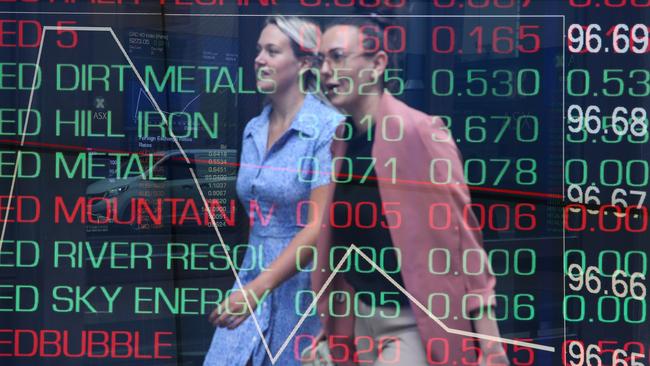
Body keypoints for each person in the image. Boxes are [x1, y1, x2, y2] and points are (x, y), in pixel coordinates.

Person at [311, 17, 510, 365]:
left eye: (338, 57)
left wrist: (491, 345)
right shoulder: (342, 142)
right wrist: (329, 330)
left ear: (377, 64)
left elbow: (466, 242)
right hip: (357, 322)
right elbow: (343, 244)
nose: (326, 71)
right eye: (320, 61)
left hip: (412, 326)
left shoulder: (421, 132)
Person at [204, 16, 342, 366]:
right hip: (252, 275)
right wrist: (249, 286)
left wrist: (257, 289)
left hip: (304, 290)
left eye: (272, 50)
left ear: (304, 63)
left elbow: (317, 228)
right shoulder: (254, 128)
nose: (259, 59)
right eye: (258, 50)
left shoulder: (329, 129)